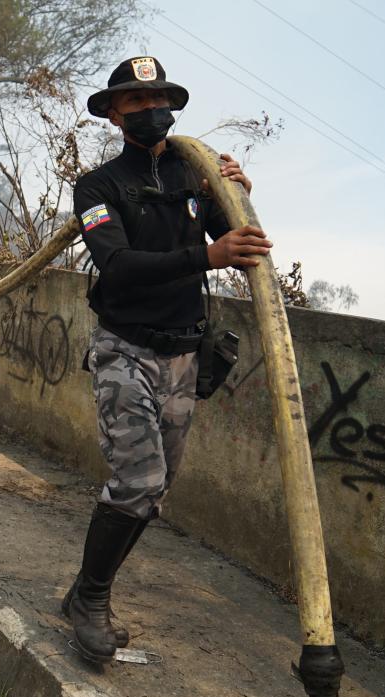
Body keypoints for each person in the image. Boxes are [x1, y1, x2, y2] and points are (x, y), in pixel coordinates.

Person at [64, 56, 267, 664]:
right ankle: (93, 600)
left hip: (183, 355)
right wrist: (209, 257)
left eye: (160, 99)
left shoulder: (190, 174)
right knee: (137, 482)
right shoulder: (97, 187)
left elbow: (232, 231)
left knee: (153, 493)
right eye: (137, 101)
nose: (153, 110)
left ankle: (81, 593)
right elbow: (118, 267)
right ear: (116, 114)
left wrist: (234, 193)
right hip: (126, 348)